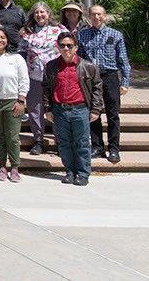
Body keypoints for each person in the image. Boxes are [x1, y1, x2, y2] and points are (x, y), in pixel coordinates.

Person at [44, 31, 104, 186]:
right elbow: (46, 89)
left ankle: (83, 173)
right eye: (62, 45)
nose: (66, 48)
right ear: (57, 47)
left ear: (76, 47)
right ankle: (70, 171)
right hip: (59, 109)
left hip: (80, 110)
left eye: (69, 45)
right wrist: (47, 108)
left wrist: (96, 109)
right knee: (64, 143)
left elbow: (97, 88)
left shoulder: (88, 66)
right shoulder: (51, 66)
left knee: (82, 143)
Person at [77, 4, 131, 163]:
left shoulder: (116, 35)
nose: (96, 17)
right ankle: (97, 146)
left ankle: (114, 148)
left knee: (113, 114)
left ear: (105, 16)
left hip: (110, 76)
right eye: (93, 14)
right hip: (90, 77)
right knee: (93, 113)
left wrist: (125, 82)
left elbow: (123, 61)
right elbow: (79, 59)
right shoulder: (82, 35)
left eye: (99, 14)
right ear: (89, 16)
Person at [0, 27, 29, 182]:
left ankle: (15, 167)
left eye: (2, 37)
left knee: (13, 136)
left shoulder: (16, 59)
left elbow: (24, 81)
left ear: (7, 40)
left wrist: (21, 100)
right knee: (0, 136)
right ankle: (2, 166)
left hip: (12, 101)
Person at [20, 1, 62, 155]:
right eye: (36, 13)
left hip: (54, 76)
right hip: (33, 76)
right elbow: (21, 53)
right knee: (35, 109)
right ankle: (38, 140)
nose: (39, 15)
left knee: (56, 108)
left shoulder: (58, 30)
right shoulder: (26, 32)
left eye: (42, 12)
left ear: (48, 14)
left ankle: (60, 141)